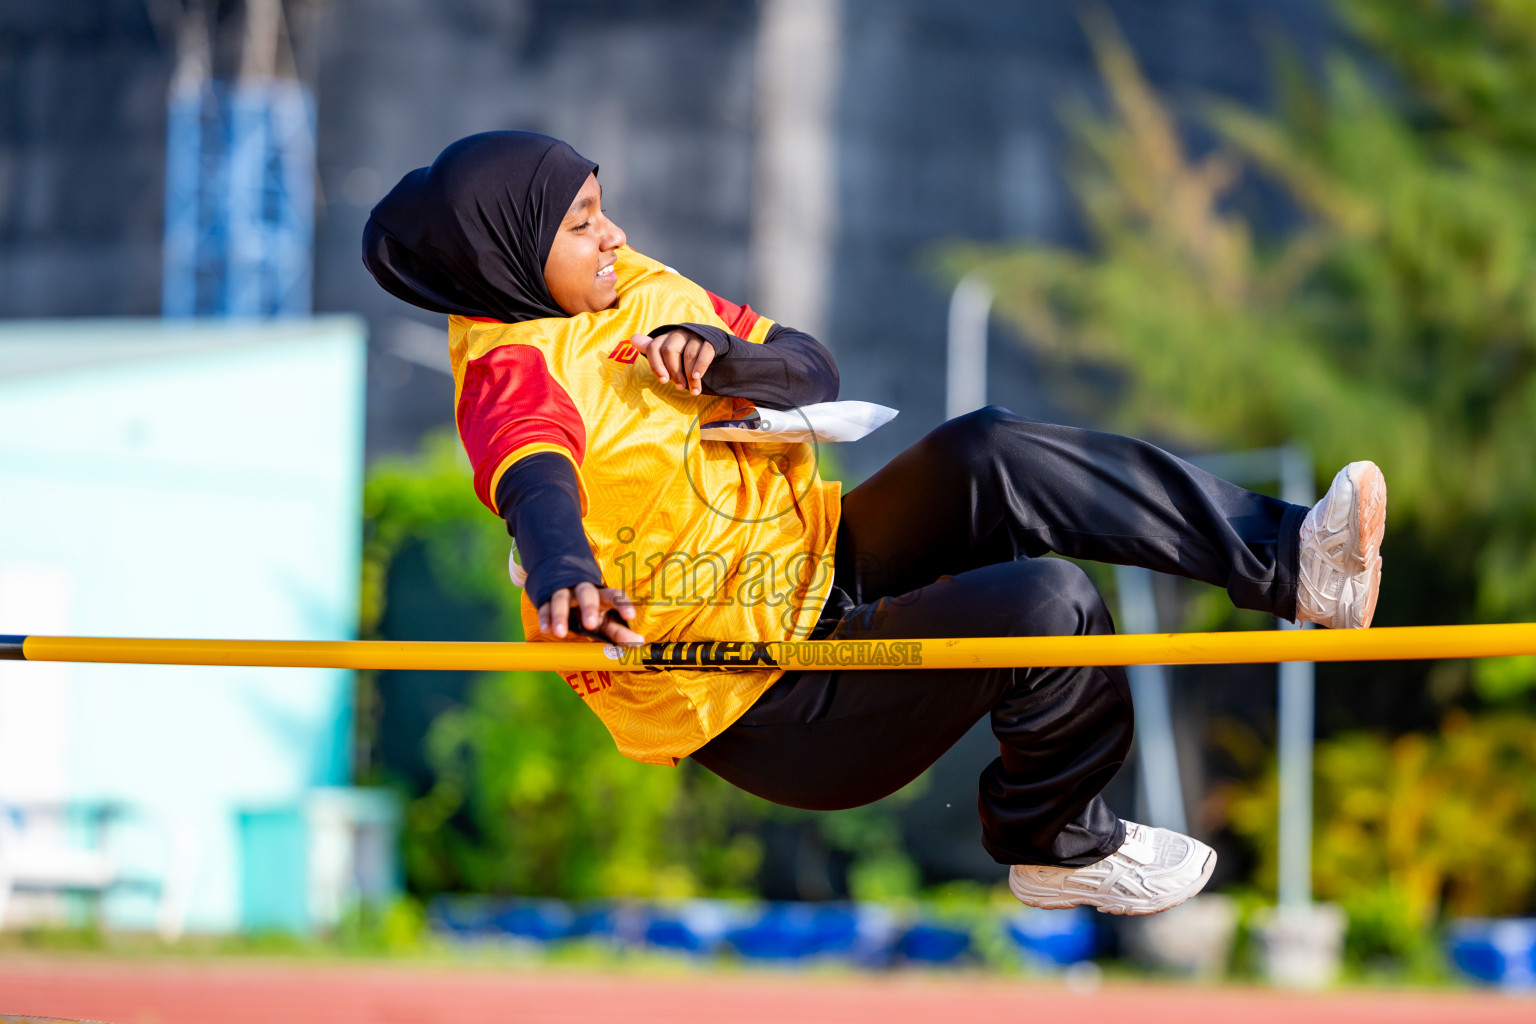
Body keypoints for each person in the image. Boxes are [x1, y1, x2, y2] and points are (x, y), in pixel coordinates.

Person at [363, 131, 1386, 916]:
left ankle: (1298, 564)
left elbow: (811, 365)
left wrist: (726, 360)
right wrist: (562, 574)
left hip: (819, 566)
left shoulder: (638, 291)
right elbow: (534, 475)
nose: (615, 236)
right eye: (583, 223)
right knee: (1052, 604)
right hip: (758, 692)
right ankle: (1061, 842)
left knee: (992, 451)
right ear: (503, 249)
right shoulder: (510, 369)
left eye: (606, 210)